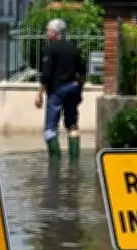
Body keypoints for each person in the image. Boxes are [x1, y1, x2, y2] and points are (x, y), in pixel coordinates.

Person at [34, 18, 86, 159]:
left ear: (55, 33)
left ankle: (55, 164)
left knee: (50, 128)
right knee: (72, 125)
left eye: (48, 31)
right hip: (73, 88)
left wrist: (39, 94)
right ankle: (74, 162)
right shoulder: (74, 48)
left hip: (56, 90)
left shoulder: (50, 49)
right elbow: (82, 72)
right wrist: (79, 90)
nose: (46, 34)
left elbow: (46, 74)